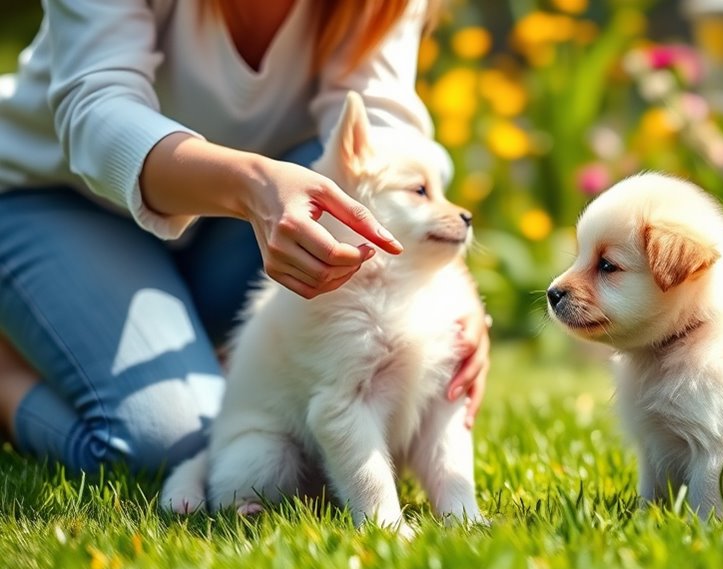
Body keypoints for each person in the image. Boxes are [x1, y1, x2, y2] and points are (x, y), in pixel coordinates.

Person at [0, 0, 490, 475]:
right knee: (162, 443)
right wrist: (253, 185)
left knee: (326, 161)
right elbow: (97, 115)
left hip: (228, 226)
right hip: (49, 196)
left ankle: (181, 344)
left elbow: (382, 135)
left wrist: (446, 284)